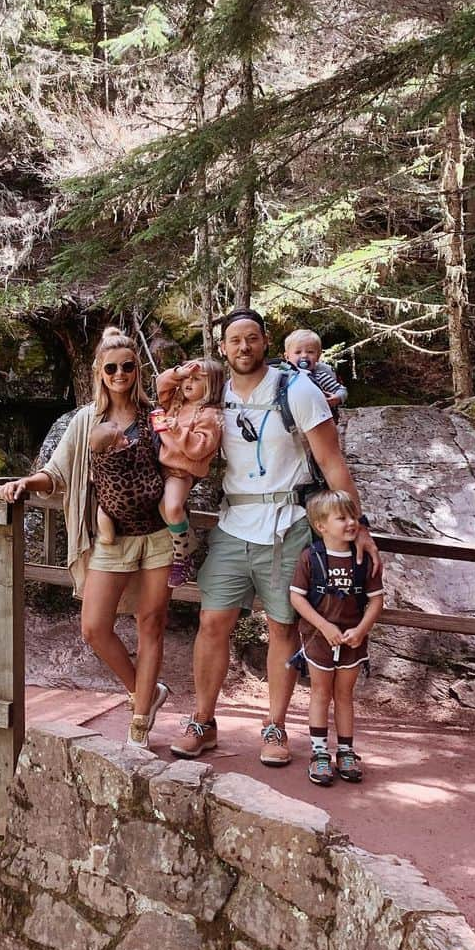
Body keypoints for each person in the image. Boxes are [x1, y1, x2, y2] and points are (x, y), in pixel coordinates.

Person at [170, 308, 379, 766]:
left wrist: (357, 524)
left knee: (282, 626)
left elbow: (332, 462)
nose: (243, 348)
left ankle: (275, 726)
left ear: (266, 342)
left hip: (289, 524)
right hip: (232, 523)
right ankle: (202, 721)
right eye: (234, 341)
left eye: (251, 339)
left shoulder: (298, 390)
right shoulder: (214, 395)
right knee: (211, 623)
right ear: (221, 347)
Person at [0, 327, 173, 749]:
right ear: (99, 371)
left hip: (160, 536)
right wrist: (25, 482)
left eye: (128, 366)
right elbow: (56, 473)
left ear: (138, 368)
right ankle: (145, 690)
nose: (120, 373)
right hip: (111, 539)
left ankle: (141, 721)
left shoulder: (156, 415)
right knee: (94, 628)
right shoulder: (84, 420)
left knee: (151, 624)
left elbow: (180, 464)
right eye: (111, 367)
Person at [289, 490, 384, 786]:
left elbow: (376, 600)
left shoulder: (363, 561)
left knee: (344, 695)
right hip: (320, 638)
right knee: (320, 692)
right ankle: (319, 753)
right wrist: (324, 626)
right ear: (321, 525)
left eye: (352, 516)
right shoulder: (311, 557)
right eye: (341, 517)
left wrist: (361, 630)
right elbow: (297, 598)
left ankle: (345, 750)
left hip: (353, 639)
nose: (350, 523)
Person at [152, 358, 225, 587]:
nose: (188, 383)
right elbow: (161, 384)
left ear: (212, 385)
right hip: (157, 464)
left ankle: (182, 556)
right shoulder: (176, 401)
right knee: (157, 506)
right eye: (186, 379)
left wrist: (179, 430)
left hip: (179, 471)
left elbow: (199, 448)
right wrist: (178, 372)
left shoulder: (211, 415)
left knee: (172, 507)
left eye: (196, 379)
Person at [283, 329, 347, 411]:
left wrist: (337, 398)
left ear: (318, 356)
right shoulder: (281, 374)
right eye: (298, 352)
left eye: (310, 352)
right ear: (287, 356)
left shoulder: (320, 376)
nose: (304, 355)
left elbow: (342, 390)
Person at [89, 422, 130, 545]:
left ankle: (107, 536)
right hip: (129, 497)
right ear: (111, 449)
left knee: (102, 510)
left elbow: (94, 477)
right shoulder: (129, 452)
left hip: (112, 501)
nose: (127, 438)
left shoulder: (99, 461)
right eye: (123, 438)